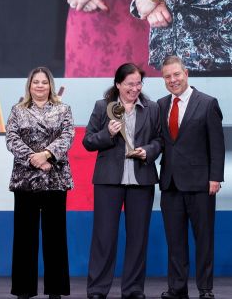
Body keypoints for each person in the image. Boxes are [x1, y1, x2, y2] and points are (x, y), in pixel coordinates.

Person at [82, 63, 163, 299]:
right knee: (104, 237)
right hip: (108, 180)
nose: (135, 89)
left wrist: (148, 151)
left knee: (138, 237)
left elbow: (160, 140)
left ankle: (133, 289)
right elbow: (88, 141)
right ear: (118, 84)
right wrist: (107, 133)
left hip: (141, 180)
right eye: (130, 84)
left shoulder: (152, 108)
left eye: (138, 84)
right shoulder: (103, 107)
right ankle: (97, 289)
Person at [156, 55, 225, 299]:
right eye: (167, 77)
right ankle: (177, 288)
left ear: (186, 74)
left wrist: (215, 177)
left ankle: (205, 289)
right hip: (170, 183)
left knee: (203, 239)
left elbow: (217, 145)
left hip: (201, 183)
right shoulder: (160, 105)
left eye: (176, 74)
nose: (172, 80)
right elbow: (161, 141)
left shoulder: (207, 103)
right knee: (175, 240)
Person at [6, 67, 75, 299]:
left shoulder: (63, 109)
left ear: (50, 85)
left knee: (55, 237)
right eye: (35, 82)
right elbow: (11, 138)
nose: (40, 86)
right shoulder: (18, 110)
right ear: (29, 85)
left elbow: (67, 136)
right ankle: (23, 290)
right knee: (24, 237)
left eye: (44, 82)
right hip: (25, 180)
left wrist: (46, 155)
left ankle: (56, 290)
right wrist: (33, 159)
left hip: (55, 179)